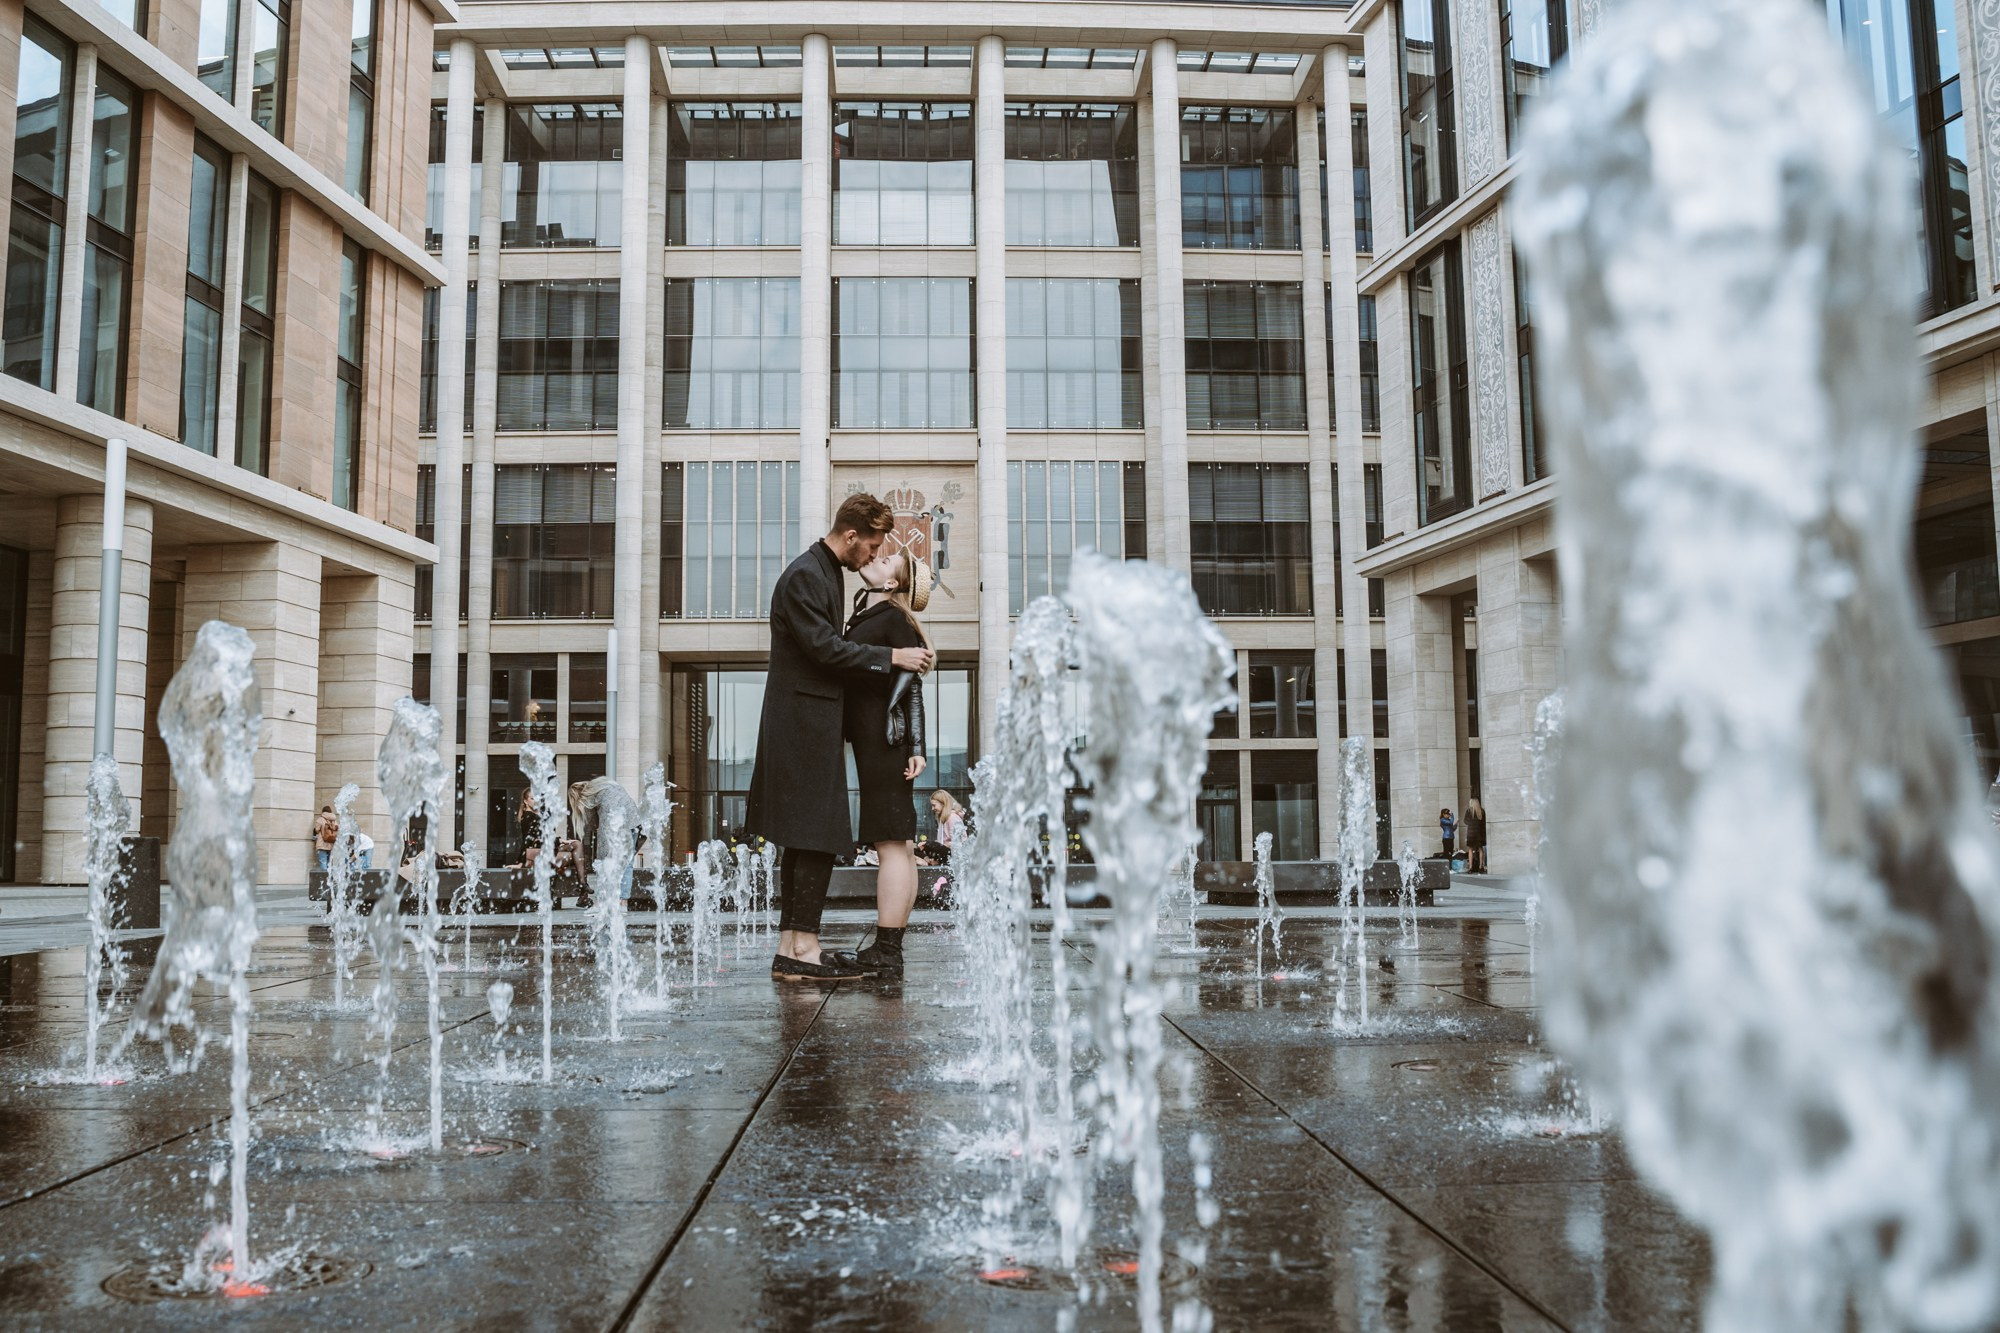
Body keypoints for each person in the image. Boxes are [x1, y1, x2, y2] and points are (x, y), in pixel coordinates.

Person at [746, 494, 934, 981]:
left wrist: (915, 741)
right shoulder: (810, 574)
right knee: (814, 833)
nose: (873, 555)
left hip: (811, 719)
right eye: (871, 546)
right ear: (850, 536)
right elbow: (826, 649)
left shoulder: (825, 573)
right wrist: (892, 659)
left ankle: (794, 947)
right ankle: (802, 948)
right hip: (804, 720)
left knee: (808, 835)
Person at [828, 551, 934, 979]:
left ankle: (888, 949)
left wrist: (915, 745)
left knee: (891, 844)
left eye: (889, 560)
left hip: (882, 740)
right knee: (899, 845)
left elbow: (913, 686)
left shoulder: (891, 617)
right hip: (884, 740)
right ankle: (890, 947)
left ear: (892, 584)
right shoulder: (869, 613)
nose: (879, 557)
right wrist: (917, 746)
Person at [929, 790, 967, 863]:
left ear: (943, 803)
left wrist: (939, 845)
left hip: (955, 860)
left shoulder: (952, 818)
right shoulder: (944, 819)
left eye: (934, 805)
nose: (932, 809)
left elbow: (960, 842)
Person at [1462, 797, 1488, 873]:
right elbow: (1484, 823)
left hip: (1471, 833)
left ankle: (1470, 867)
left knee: (1470, 849)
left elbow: (1465, 822)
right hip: (1480, 833)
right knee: (1480, 849)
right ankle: (1481, 866)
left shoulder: (1469, 811)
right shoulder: (1482, 811)